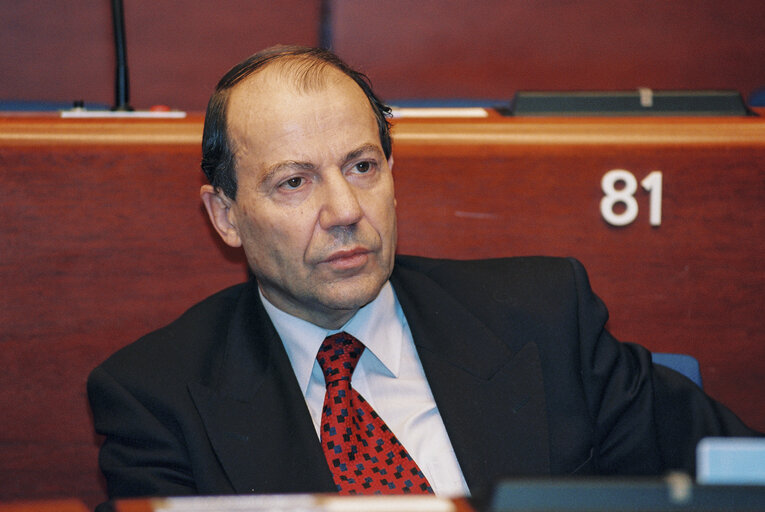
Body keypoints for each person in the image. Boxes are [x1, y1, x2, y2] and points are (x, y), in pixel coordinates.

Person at [87, 45, 759, 507]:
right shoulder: (156, 399)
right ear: (225, 215)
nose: (345, 211)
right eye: (294, 182)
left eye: (361, 167)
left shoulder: (544, 317)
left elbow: (738, 477)